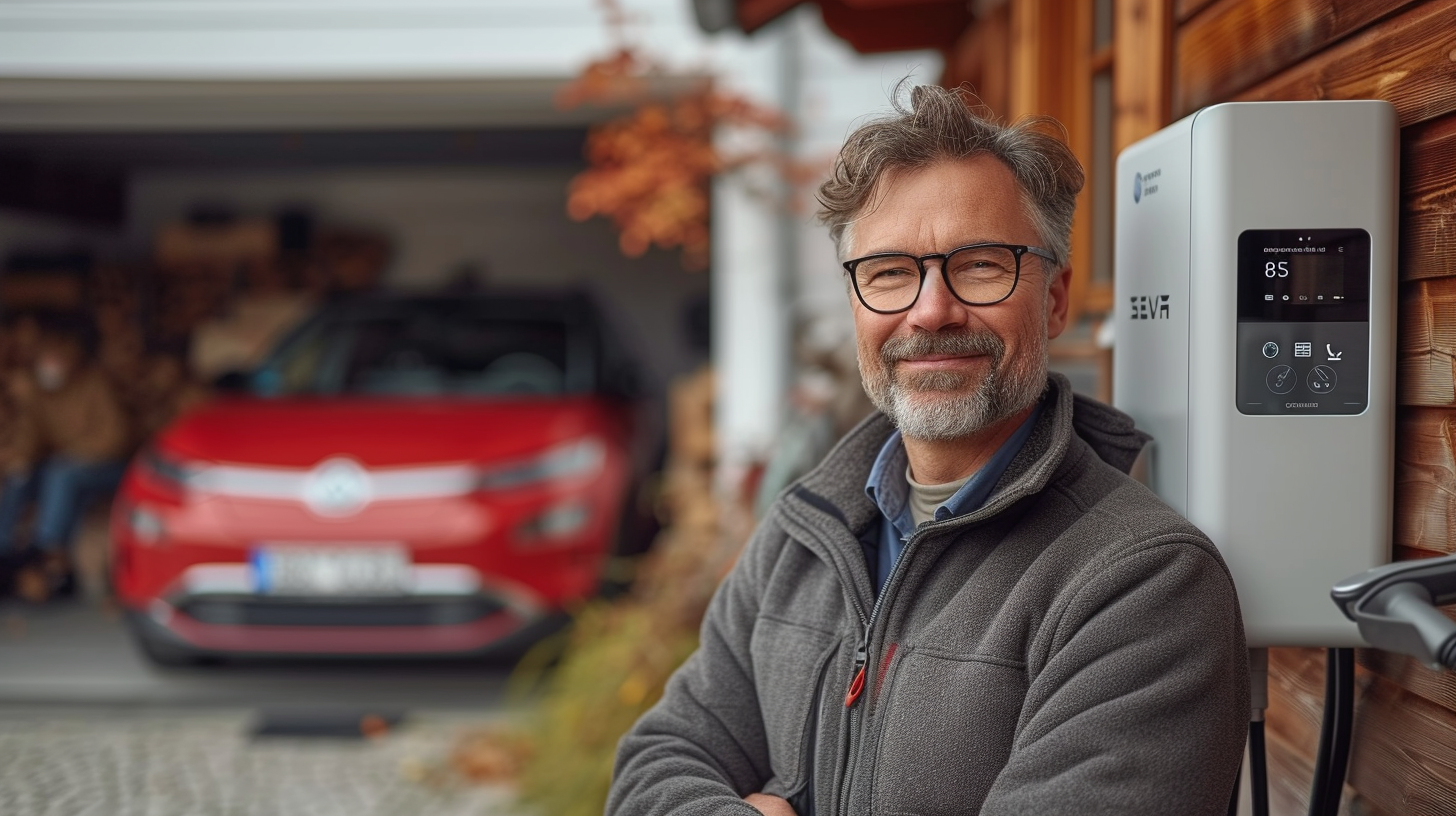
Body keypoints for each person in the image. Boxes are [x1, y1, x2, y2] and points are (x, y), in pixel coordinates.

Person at [606, 84, 1248, 816]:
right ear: (855, 306)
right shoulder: (806, 533)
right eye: (889, 273)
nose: (932, 311)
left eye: (980, 264)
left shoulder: (1143, 583)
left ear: (1056, 297)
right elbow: (655, 766)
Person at [0, 317, 130, 601]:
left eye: (56, 356)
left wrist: (74, 453)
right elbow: (30, 438)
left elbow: (115, 437)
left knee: (61, 473)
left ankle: (45, 549)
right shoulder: (38, 393)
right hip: (64, 467)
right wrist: (18, 458)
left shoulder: (95, 384)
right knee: (22, 476)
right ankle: (5, 550)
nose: (50, 364)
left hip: (107, 467)